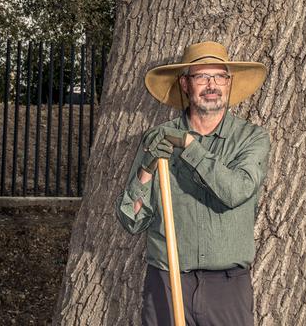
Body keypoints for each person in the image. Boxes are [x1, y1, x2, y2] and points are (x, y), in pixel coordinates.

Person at [115, 40, 270, 326]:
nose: (212, 85)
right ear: (185, 84)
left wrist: (189, 146)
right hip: (167, 280)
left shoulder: (252, 138)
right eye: (201, 76)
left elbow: (236, 191)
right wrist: (146, 170)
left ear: (229, 83)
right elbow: (132, 221)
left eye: (219, 77)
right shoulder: (157, 138)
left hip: (227, 288)